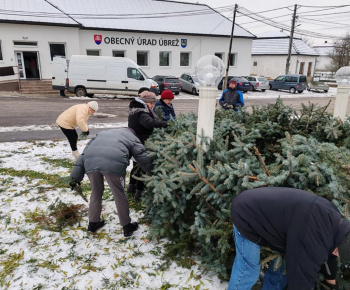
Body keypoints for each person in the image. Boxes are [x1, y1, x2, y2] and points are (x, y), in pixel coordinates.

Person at [229, 187, 350, 290]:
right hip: (247, 214)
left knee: (283, 269)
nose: (336, 254)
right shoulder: (313, 234)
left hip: (275, 222)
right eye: (338, 252)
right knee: (248, 270)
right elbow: (301, 278)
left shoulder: (335, 227)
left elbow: (329, 256)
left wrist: (331, 280)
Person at [69, 128, 153, 237]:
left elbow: (83, 155)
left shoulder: (101, 134)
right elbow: (142, 156)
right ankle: (127, 226)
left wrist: (74, 178)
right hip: (114, 164)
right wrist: (152, 171)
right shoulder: (132, 137)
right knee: (119, 194)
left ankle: (93, 223)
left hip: (91, 162)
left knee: (96, 193)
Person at [127, 90, 168, 200]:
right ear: (146, 102)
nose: (153, 106)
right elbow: (149, 123)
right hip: (140, 142)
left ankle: (131, 188)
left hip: (135, 141)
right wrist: (164, 124)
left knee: (136, 166)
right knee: (142, 168)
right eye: (152, 103)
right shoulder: (141, 112)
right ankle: (139, 194)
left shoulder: (136, 110)